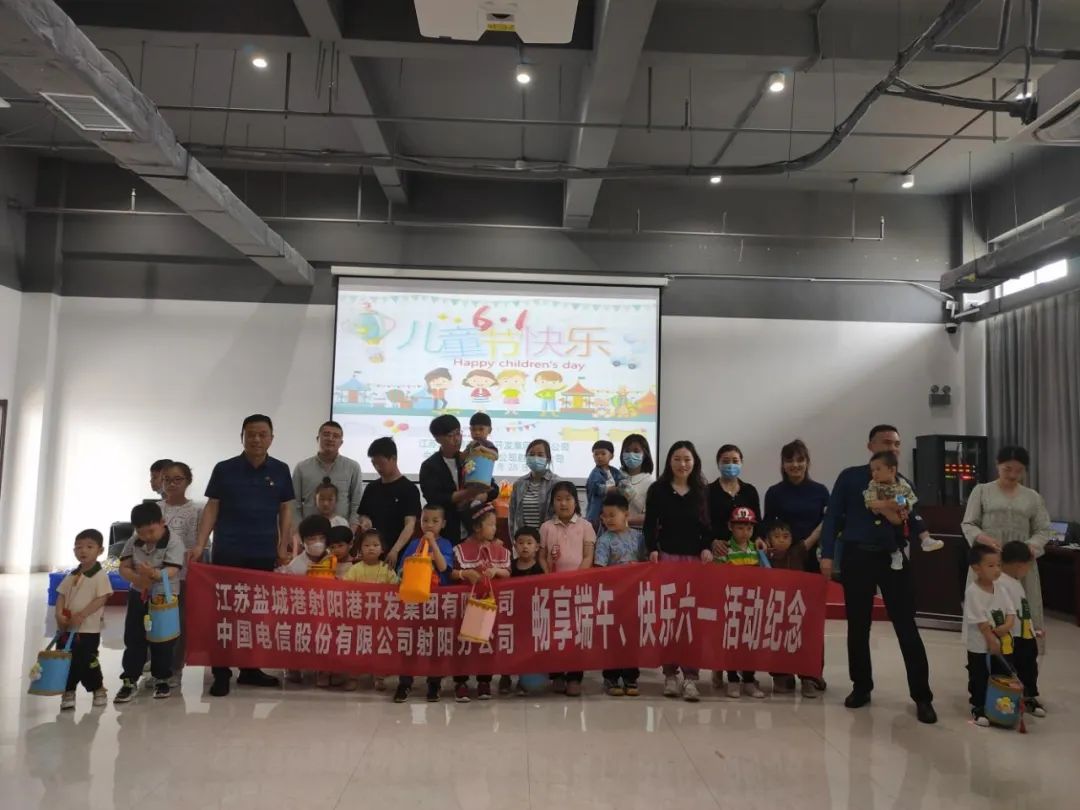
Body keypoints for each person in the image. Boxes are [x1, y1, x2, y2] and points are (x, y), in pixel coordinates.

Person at [820, 424, 937, 724]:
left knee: (906, 625)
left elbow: (912, 519)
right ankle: (861, 686)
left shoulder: (903, 483)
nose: (893, 447)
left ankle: (922, 696)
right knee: (858, 626)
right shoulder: (850, 477)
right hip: (857, 557)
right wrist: (827, 555)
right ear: (870, 446)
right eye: (886, 442)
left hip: (892, 558)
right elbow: (832, 517)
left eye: (897, 443)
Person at [191, 414, 295, 697]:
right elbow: (212, 506)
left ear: (271, 438)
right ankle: (221, 673)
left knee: (255, 614)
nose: (257, 439)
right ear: (242, 437)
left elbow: (286, 508)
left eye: (262, 434)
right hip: (228, 551)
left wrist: (283, 544)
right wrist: (200, 543)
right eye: (251, 434)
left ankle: (250, 669)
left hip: (263, 552)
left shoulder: (280, 469)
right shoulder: (224, 469)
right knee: (224, 613)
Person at [961, 445, 1052, 657]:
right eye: (1007, 469)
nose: (1012, 475)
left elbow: (1043, 530)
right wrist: (983, 538)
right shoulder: (982, 491)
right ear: (997, 465)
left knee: (1020, 608)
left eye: (1019, 471)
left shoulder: (1032, 497)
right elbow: (969, 524)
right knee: (986, 606)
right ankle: (983, 656)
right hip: (988, 561)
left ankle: (1023, 657)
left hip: (1019, 563)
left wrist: (1029, 547)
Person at [644, 441, 714, 703]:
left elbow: (708, 526)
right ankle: (670, 674)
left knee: (691, 620)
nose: (682, 464)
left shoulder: (702, 491)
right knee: (669, 618)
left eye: (687, 459)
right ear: (669, 462)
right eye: (677, 459)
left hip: (694, 562)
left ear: (694, 462)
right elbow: (650, 523)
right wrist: (652, 548)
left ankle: (691, 678)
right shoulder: (658, 490)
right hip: (667, 560)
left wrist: (706, 547)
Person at [115, 502, 185, 703]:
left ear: (162, 522)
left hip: (164, 598)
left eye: (151, 531)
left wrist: (153, 574)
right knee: (134, 638)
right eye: (141, 532)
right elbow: (124, 567)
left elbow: (173, 570)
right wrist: (137, 579)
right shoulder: (134, 540)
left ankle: (162, 678)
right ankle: (130, 679)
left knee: (163, 640)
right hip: (139, 595)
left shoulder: (174, 542)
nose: (146, 537)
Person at [393, 504, 455, 703]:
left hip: (437, 603)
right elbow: (402, 569)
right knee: (410, 642)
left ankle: (434, 682)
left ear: (443, 524)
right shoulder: (413, 544)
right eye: (425, 520)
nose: (429, 525)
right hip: (414, 603)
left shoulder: (445, 544)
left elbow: (444, 567)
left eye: (435, 521)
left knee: (436, 643)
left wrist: (433, 545)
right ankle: (405, 682)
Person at [540, 480, 596, 697]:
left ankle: (574, 676)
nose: (563, 504)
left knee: (576, 632)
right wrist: (548, 576)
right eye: (558, 499)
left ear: (576, 501)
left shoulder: (586, 526)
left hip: (578, 588)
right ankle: (556, 674)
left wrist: (576, 578)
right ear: (552, 503)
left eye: (568, 499)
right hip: (552, 589)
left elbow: (588, 556)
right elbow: (542, 556)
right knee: (554, 630)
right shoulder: (546, 527)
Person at [451, 502, 511, 702]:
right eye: (491, 525)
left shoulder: (498, 549)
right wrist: (464, 573)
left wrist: (496, 571)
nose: (495, 529)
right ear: (477, 527)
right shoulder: (460, 549)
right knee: (463, 643)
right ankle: (461, 682)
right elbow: (451, 573)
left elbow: (508, 572)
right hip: (465, 606)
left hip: (489, 605)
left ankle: (484, 680)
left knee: (487, 642)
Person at [55, 529, 113, 710]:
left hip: (88, 629)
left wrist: (81, 615)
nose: (83, 551)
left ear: (100, 550)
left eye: (89, 546)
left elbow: (102, 598)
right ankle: (68, 691)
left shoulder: (100, 575)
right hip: (67, 628)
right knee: (66, 661)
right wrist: (58, 614)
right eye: (79, 547)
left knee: (88, 661)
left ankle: (97, 688)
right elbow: (61, 594)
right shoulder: (73, 574)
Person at [594, 492, 644, 697]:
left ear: (626, 514)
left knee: (632, 636)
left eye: (612, 515)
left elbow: (647, 564)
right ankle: (611, 677)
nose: (608, 519)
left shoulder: (639, 537)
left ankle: (631, 677)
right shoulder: (604, 540)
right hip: (612, 597)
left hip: (634, 597)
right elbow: (599, 568)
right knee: (612, 636)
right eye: (605, 516)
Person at [419, 415, 498, 545]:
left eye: (458, 434)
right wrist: (469, 493)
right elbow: (435, 498)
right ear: (438, 439)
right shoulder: (430, 466)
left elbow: (494, 489)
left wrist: (482, 494)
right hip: (446, 533)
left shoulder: (470, 458)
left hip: (473, 532)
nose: (456, 439)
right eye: (450, 436)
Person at [158, 461, 203, 687]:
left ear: (188, 481)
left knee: (179, 621)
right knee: (155, 620)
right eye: (167, 480)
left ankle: (175, 667)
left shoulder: (196, 510)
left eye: (178, 479)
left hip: (183, 575)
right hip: (156, 576)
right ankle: (156, 665)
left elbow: (199, 543)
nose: (172, 484)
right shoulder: (156, 509)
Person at [714, 506, 766, 698]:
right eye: (740, 528)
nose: (745, 532)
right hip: (732, 605)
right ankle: (733, 680)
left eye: (749, 528)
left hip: (752, 605)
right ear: (730, 527)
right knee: (732, 643)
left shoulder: (757, 550)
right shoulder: (725, 550)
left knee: (750, 643)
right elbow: (718, 577)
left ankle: (749, 680)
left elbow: (767, 575)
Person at [764, 521, 819, 699]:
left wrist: (828, 518)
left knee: (803, 642)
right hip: (776, 610)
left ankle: (807, 678)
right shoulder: (764, 555)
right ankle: (781, 677)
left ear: (792, 539)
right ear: (768, 539)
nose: (781, 540)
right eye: (776, 537)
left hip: (797, 608)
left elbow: (813, 537)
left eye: (785, 536)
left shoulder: (797, 551)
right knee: (777, 643)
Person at [963, 544, 1016, 727]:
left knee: (1001, 674)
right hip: (980, 644)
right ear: (976, 568)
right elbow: (980, 621)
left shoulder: (1001, 588)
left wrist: (1006, 626)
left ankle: (998, 707)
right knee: (979, 675)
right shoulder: (973, 591)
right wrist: (991, 639)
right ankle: (978, 707)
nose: (997, 570)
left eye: (999, 565)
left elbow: (1011, 612)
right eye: (991, 566)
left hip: (1002, 642)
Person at [864, 450, 944, 569]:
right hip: (883, 515)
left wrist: (905, 505)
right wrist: (887, 504)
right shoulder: (874, 485)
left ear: (892, 470)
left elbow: (911, 498)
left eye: (878, 469)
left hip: (901, 510)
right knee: (884, 532)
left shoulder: (902, 484)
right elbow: (870, 501)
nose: (874, 473)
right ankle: (895, 553)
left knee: (915, 517)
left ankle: (926, 539)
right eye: (872, 470)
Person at [281, 516, 336, 687]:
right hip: (302, 612)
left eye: (321, 538)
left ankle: (324, 670)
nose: (317, 543)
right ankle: (293, 666)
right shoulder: (295, 565)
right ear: (303, 541)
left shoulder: (334, 560)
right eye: (312, 539)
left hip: (327, 612)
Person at [763, 439, 829, 574]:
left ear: (807, 462)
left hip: (815, 554)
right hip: (784, 557)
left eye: (800, 460)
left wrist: (808, 543)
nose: (795, 464)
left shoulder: (821, 491)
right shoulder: (774, 492)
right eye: (789, 461)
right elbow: (768, 523)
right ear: (783, 465)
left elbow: (828, 520)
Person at [999, 541, 1046, 717]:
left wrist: (1033, 630)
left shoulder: (1015, 581)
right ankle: (1005, 699)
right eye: (1028, 566)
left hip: (1025, 634)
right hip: (1010, 636)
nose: (1028, 570)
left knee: (1029, 667)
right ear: (1019, 565)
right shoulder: (1000, 582)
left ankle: (1028, 696)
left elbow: (1022, 609)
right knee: (1008, 669)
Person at [356, 437, 421, 566]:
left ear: (393, 459)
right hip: (373, 552)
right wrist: (365, 521)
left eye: (381, 463)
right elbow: (363, 514)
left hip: (399, 552)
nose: (377, 467)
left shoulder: (409, 489)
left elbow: (410, 525)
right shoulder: (371, 488)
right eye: (374, 463)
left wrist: (395, 550)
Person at [291, 420, 363, 530]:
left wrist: (352, 529)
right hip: (310, 532)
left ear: (341, 442)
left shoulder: (353, 467)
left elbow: (356, 503)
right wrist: (298, 530)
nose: (330, 439)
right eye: (326, 434)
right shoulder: (302, 468)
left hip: (341, 531)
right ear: (318, 438)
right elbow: (294, 503)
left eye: (335, 436)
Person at [708, 444, 762, 554]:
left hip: (747, 552)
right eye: (726, 461)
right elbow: (703, 524)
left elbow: (758, 522)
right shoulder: (707, 491)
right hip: (719, 552)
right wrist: (712, 541)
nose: (731, 465)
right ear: (718, 464)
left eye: (735, 461)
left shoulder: (750, 491)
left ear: (741, 463)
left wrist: (759, 539)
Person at [509, 438, 560, 539]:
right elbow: (512, 516)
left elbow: (559, 516)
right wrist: (514, 541)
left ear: (548, 459)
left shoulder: (556, 483)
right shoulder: (519, 484)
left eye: (540, 455)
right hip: (524, 543)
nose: (535, 458)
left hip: (548, 540)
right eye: (531, 454)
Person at [586, 440, 625, 531]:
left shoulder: (615, 471)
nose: (599, 456)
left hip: (611, 511)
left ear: (611, 456)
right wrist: (612, 489)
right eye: (596, 454)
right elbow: (596, 488)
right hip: (596, 514)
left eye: (603, 454)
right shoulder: (594, 473)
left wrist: (624, 487)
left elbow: (622, 481)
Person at [618, 434, 654, 529]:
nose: (631, 454)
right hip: (613, 531)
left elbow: (651, 516)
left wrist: (632, 495)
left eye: (636, 451)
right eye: (627, 451)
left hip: (638, 532)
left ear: (645, 454)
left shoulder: (651, 483)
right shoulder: (617, 477)